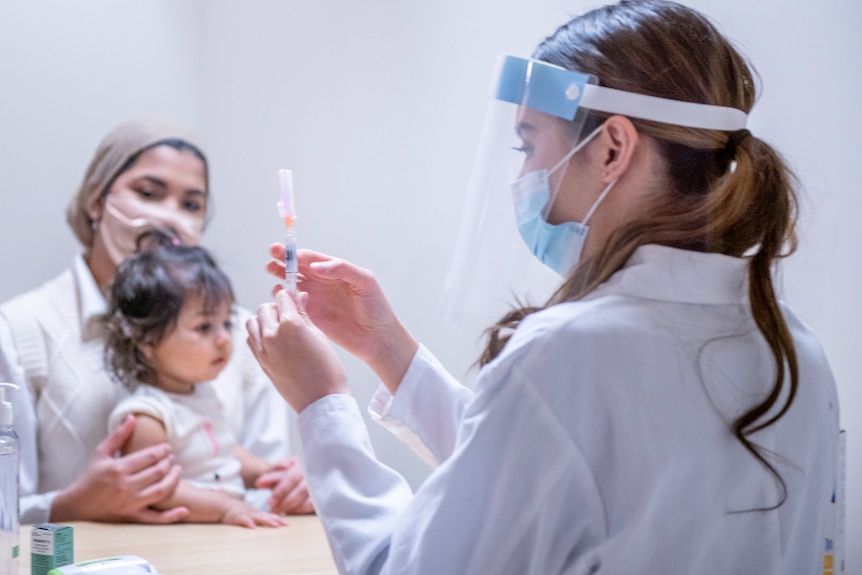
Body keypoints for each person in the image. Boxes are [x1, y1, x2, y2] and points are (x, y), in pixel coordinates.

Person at [245, 1, 840, 573]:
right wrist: (387, 349)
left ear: (612, 147)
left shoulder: (571, 350)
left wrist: (321, 403)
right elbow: (553, 476)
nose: (525, 175)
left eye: (529, 144)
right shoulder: (794, 346)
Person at [0, 117, 312, 524]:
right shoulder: (20, 330)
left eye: (191, 204)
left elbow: (264, 487)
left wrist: (295, 485)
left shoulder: (242, 332)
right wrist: (73, 504)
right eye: (148, 192)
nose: (168, 218)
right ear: (95, 200)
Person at [103, 238, 288, 528]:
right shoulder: (147, 416)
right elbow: (156, 489)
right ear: (147, 340)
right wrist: (227, 508)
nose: (225, 338)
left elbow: (220, 451)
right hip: (184, 536)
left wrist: (268, 471)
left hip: (221, 527)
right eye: (204, 327)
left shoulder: (202, 395)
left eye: (227, 323)